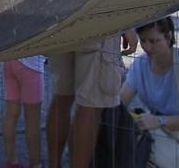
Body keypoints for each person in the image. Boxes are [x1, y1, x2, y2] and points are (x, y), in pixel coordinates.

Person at [119, 17, 179, 168]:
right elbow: (120, 102)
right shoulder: (140, 64)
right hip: (155, 144)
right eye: (143, 41)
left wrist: (159, 121)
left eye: (154, 41)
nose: (147, 47)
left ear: (168, 37)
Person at [46, 36, 126, 168]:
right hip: (98, 24)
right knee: (91, 105)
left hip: (60, 25)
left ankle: (53, 165)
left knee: (62, 96)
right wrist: (127, 25)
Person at [2, 55, 45, 168]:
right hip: (31, 64)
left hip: (9, 60)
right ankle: (35, 163)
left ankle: (11, 161)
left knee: (10, 113)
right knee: (32, 119)